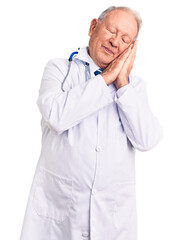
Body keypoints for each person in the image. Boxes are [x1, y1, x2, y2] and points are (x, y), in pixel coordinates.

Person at [19, 6, 163, 240]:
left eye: (125, 39)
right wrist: (106, 78)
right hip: (58, 217)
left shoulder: (134, 88)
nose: (115, 42)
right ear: (93, 27)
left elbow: (147, 139)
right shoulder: (59, 69)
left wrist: (122, 83)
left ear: (131, 48)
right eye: (111, 31)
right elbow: (57, 116)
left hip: (112, 222)